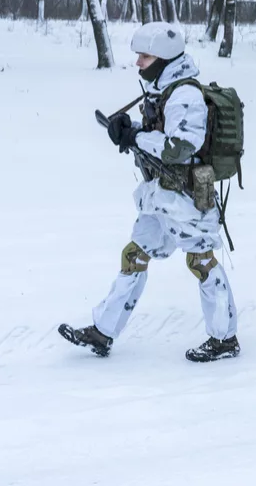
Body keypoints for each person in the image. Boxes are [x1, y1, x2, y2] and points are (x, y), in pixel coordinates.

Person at [60, 22, 240, 363]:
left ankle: (224, 339)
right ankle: (103, 331)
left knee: (201, 260)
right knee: (134, 254)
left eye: (144, 56)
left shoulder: (185, 95)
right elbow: (161, 133)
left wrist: (136, 138)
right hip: (162, 191)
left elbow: (180, 147)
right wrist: (129, 130)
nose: (138, 63)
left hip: (191, 191)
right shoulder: (164, 88)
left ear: (164, 58)